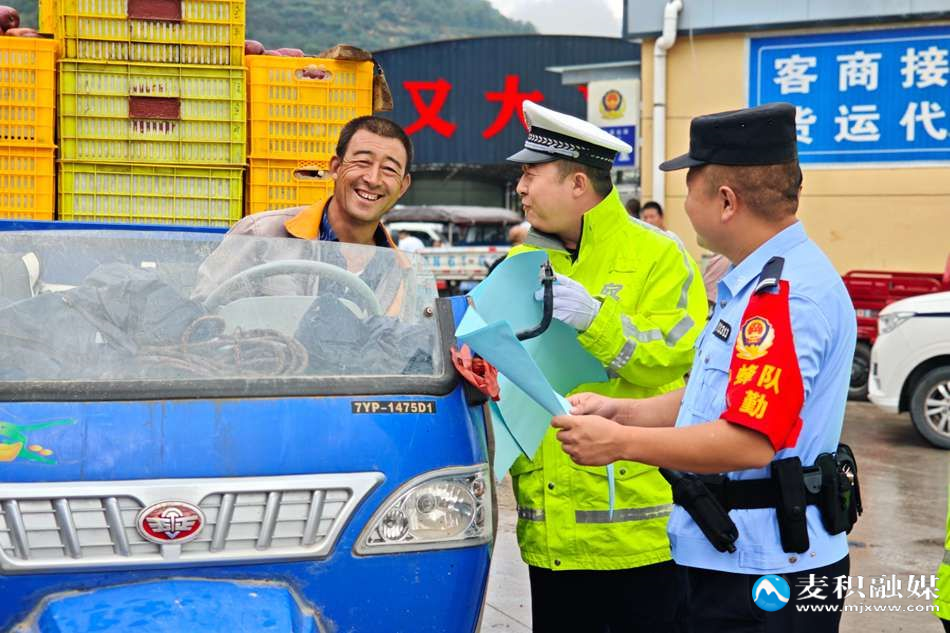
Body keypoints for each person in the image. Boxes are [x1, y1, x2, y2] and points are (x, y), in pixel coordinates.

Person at [551, 103, 859, 632]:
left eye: (689, 189)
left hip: (765, 575)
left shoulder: (784, 296)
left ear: (726, 201)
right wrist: (622, 411)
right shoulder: (755, 282)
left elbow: (749, 441)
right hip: (736, 558)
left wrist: (620, 443)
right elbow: (719, 396)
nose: (685, 204)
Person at [504, 101, 707, 632]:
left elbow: (676, 353)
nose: (520, 188)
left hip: (638, 537)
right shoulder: (522, 260)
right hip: (549, 533)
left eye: (531, 174)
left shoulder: (659, 254)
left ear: (577, 184)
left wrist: (597, 319)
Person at [192, 116, 413, 311]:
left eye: (389, 169)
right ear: (335, 168)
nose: (373, 179)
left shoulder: (403, 271)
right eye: (362, 162)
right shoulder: (260, 234)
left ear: (403, 186)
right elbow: (199, 318)